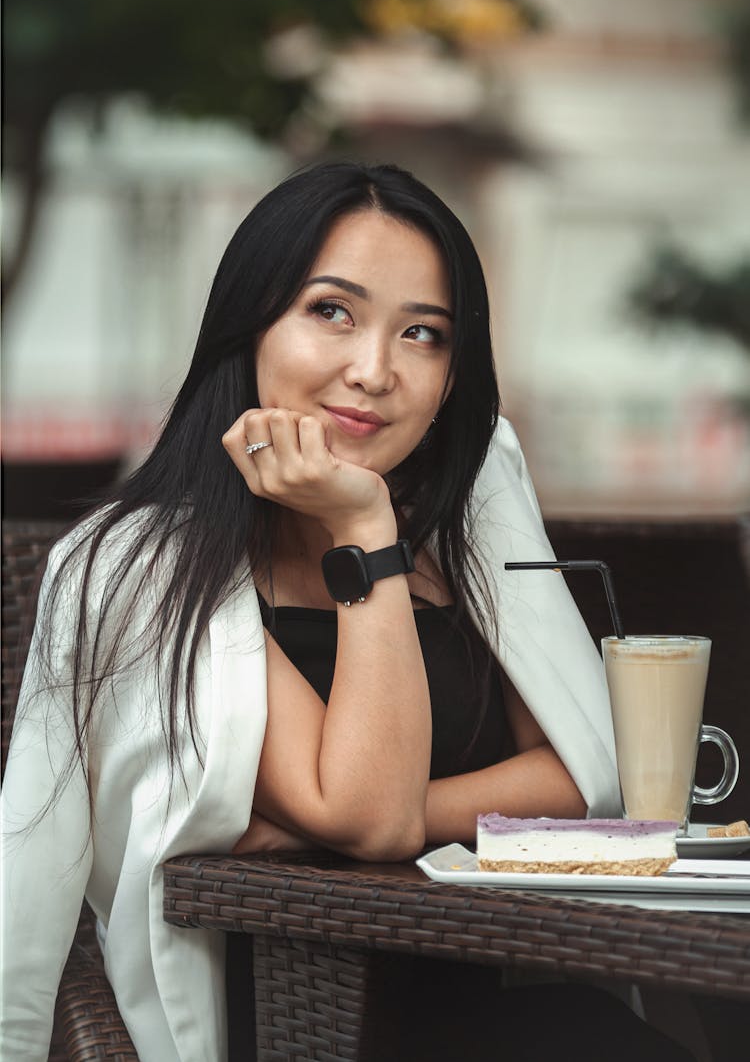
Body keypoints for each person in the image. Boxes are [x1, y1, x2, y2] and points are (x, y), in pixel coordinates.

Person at [1, 163, 694, 1062]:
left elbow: (583, 774)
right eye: (332, 310)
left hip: (501, 995)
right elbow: (369, 813)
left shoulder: (468, 513)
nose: (374, 371)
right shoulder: (143, 570)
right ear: (252, 323)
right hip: (295, 1026)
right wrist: (362, 528)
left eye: (423, 333)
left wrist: (325, 825)